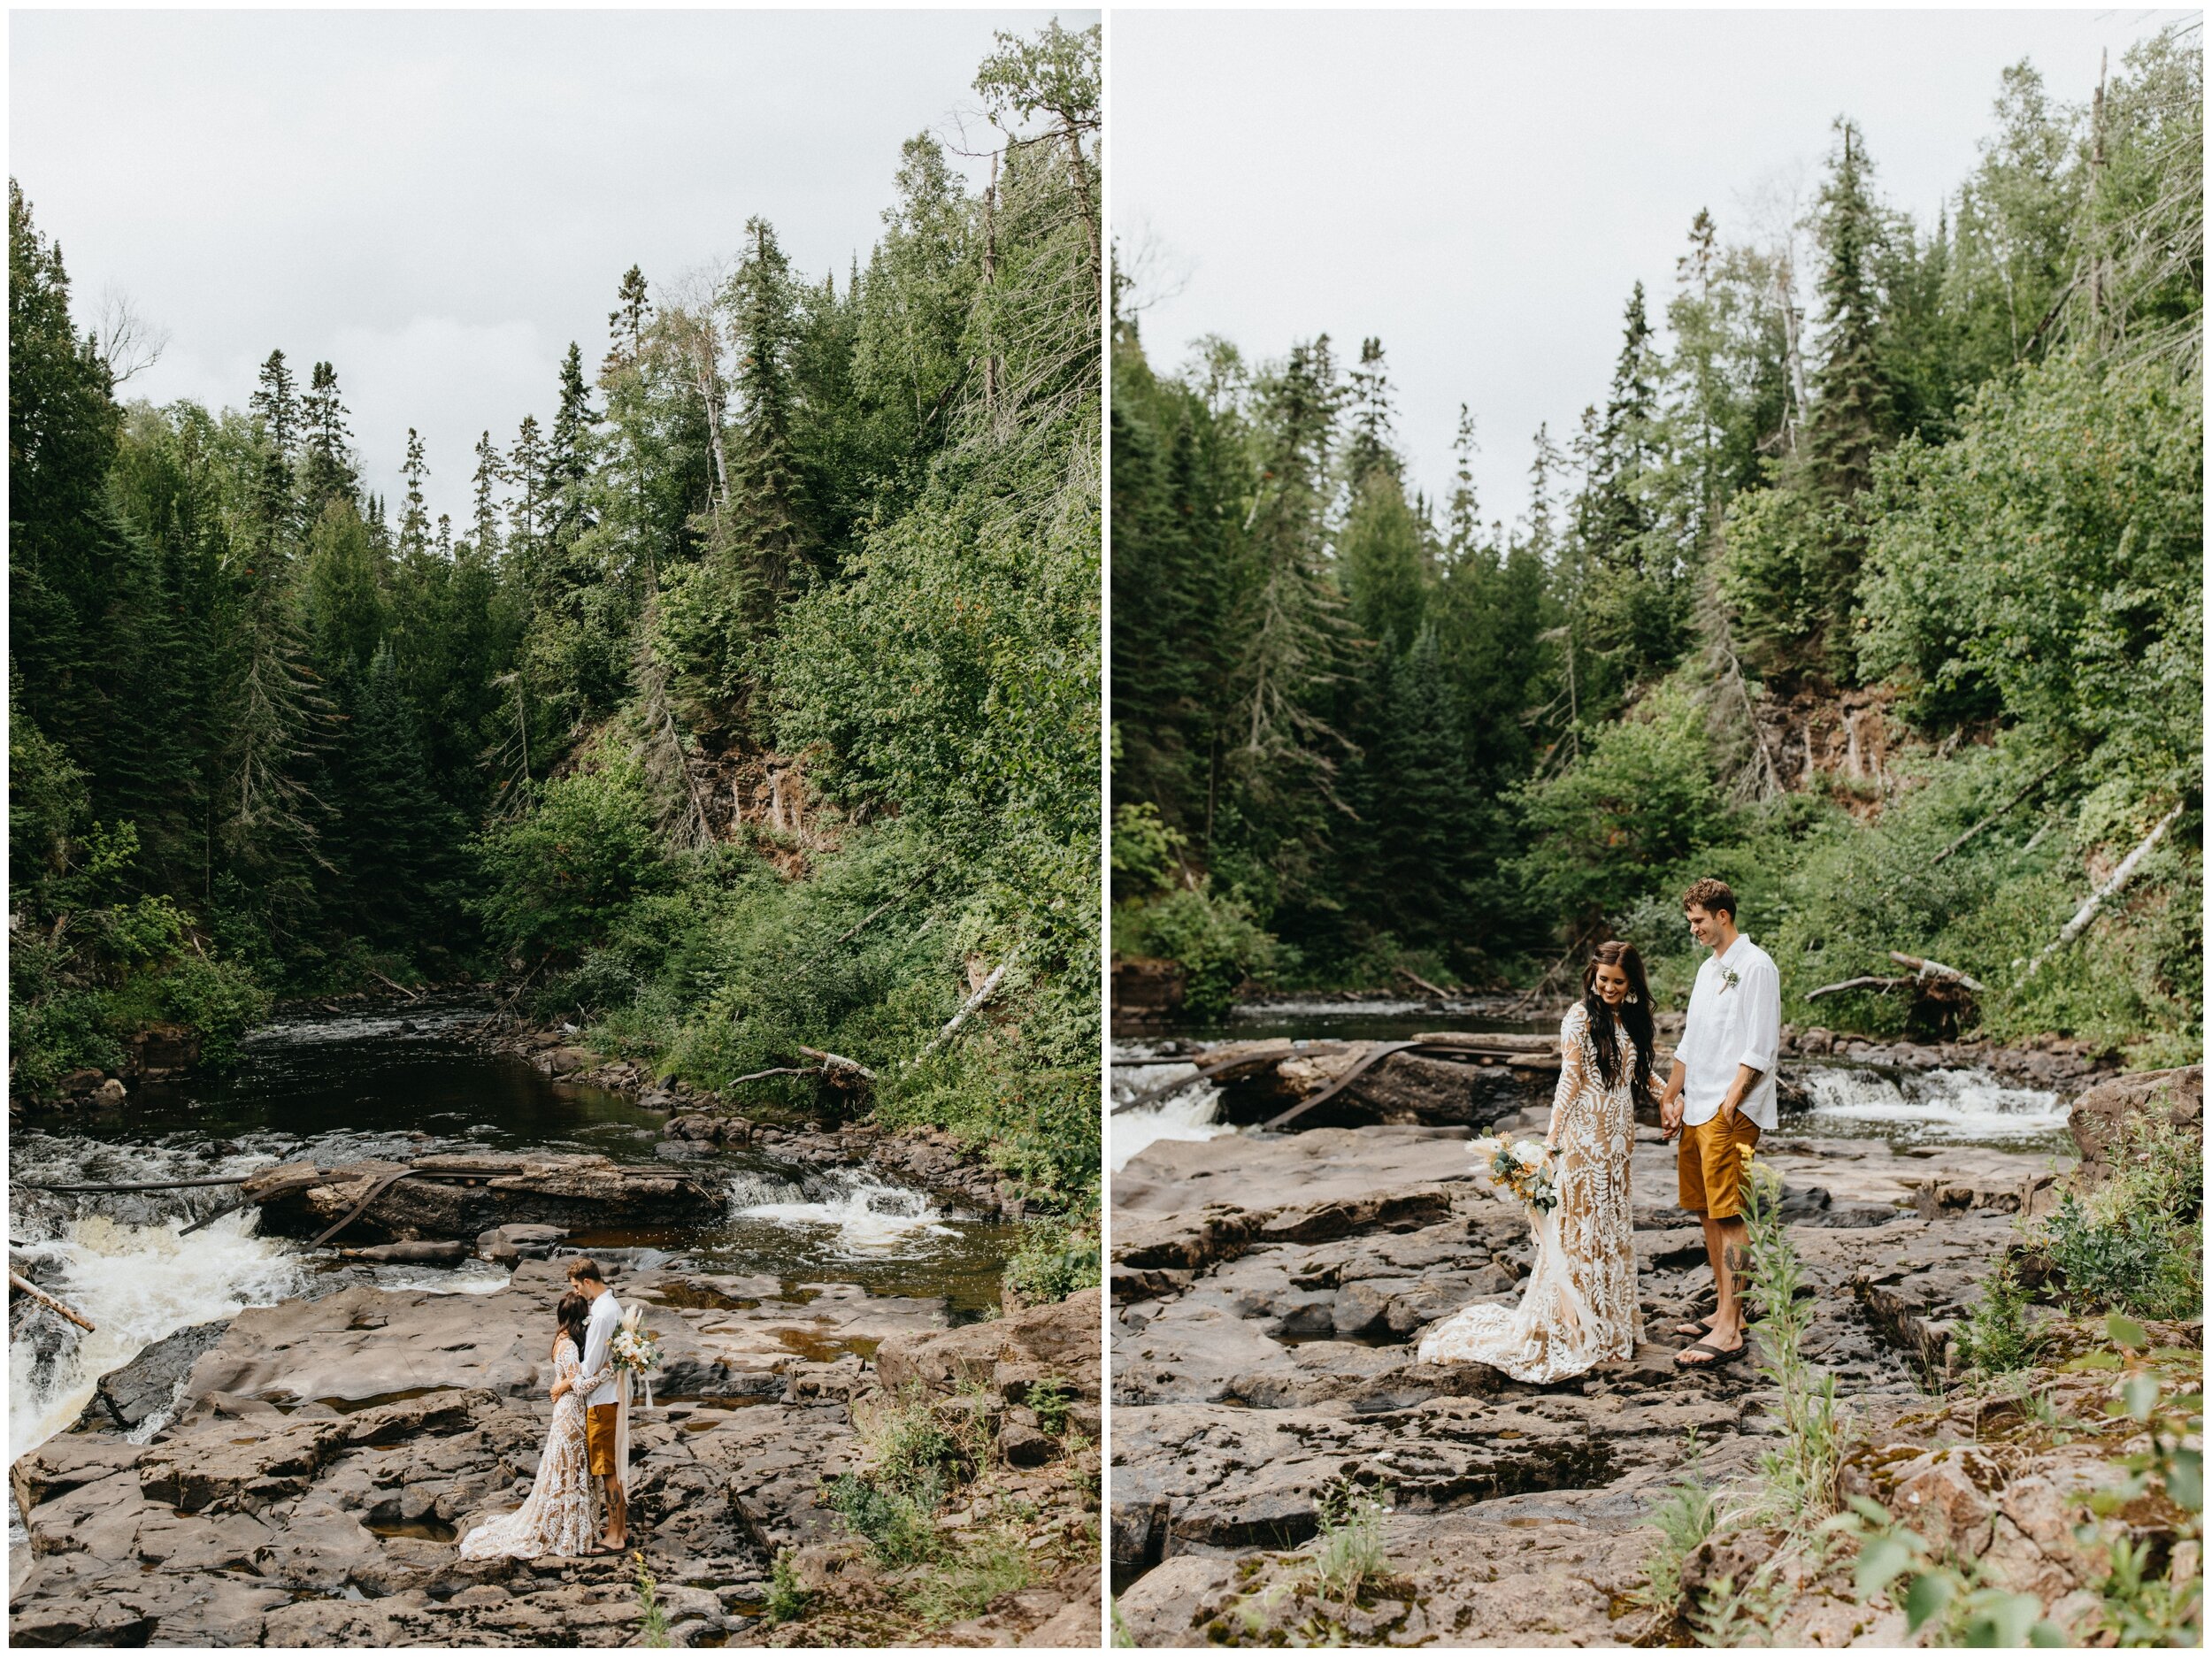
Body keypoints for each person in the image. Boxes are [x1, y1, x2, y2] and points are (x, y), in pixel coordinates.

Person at [1417, 940, 1653, 1382]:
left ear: (1632, 982)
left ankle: (1613, 1326)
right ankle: (1578, 1329)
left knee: (1609, 1232)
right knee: (1581, 1234)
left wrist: (1672, 1099)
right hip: (1585, 1142)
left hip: (1620, 1145)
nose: (1609, 988)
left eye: (1618, 982)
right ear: (1592, 976)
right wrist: (1551, 1140)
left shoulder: (1632, 1018)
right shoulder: (1580, 1016)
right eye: (1603, 980)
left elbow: (1639, 1073)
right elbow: (1570, 1078)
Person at [1659, 877, 1782, 1371]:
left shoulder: (1756, 966)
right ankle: (1723, 1311)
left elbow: (1760, 1047)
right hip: (1697, 1107)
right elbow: (1690, 1043)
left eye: (1698, 921)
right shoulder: (1709, 970)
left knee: (1731, 1215)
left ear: (1723, 915)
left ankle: (1731, 1330)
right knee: (1708, 1211)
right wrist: (1670, 1096)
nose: (1694, 930)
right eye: (1691, 921)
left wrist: (1731, 1104)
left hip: (1730, 1111)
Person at [457, 1292, 599, 1560]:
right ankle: (566, 1528)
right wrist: (604, 1371)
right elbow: (578, 1382)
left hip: (568, 1411)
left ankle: (570, 1523)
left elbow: (569, 1378)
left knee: (566, 1467)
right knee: (568, 1467)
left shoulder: (562, 1339)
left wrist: (563, 1384)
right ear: (580, 1318)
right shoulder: (568, 1345)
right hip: (571, 1412)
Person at [566, 1256, 629, 1551]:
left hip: (603, 1401)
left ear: (588, 1282)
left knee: (607, 1469)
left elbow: (589, 1367)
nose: (578, 1292)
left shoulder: (602, 1315)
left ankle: (615, 1537)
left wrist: (568, 1379)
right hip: (613, 1395)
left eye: (578, 1287)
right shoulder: (610, 1306)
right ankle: (620, 1527)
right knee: (611, 1465)